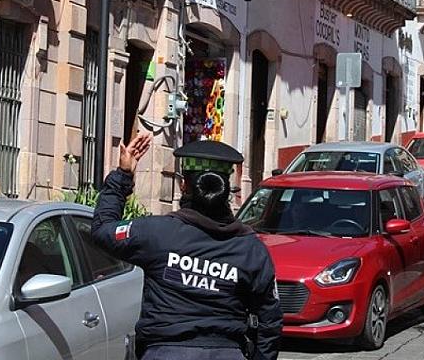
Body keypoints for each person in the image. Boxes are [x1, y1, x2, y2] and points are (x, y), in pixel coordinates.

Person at [92, 134, 282, 360]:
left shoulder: (158, 233)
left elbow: (103, 229)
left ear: (183, 185)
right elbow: (270, 320)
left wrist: (123, 175)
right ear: (227, 191)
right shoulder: (251, 249)